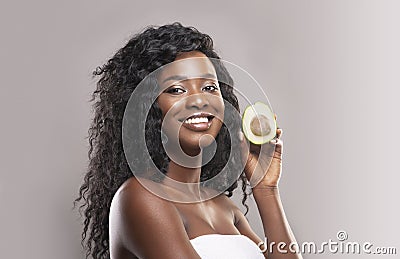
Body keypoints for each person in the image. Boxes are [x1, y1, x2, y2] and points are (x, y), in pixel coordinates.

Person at [75, 22, 302, 259]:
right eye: (176, 89)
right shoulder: (141, 198)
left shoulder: (226, 209)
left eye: (209, 87)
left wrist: (265, 189)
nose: (199, 100)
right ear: (148, 108)